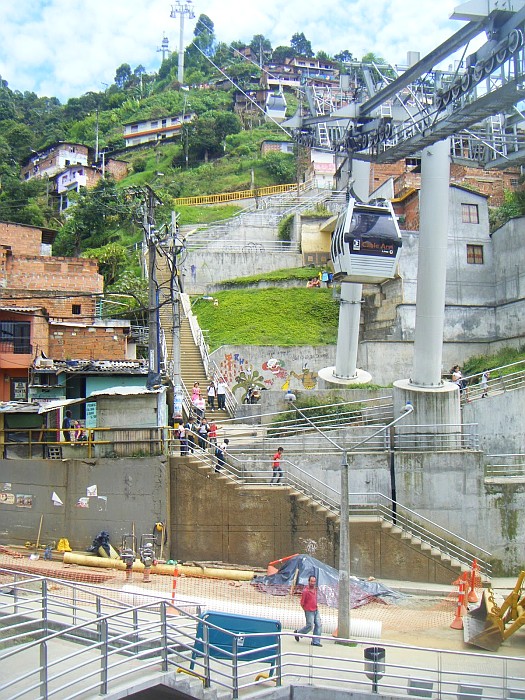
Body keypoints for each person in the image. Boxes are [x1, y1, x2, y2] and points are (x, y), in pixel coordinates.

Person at [294, 575, 323, 647]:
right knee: (310, 626)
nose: (313, 583)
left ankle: (315, 641)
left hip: (316, 610)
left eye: (314, 581)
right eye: (311, 581)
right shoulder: (305, 591)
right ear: (309, 582)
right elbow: (302, 603)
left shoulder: (315, 590)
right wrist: (306, 610)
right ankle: (298, 633)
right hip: (309, 611)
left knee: (318, 624)